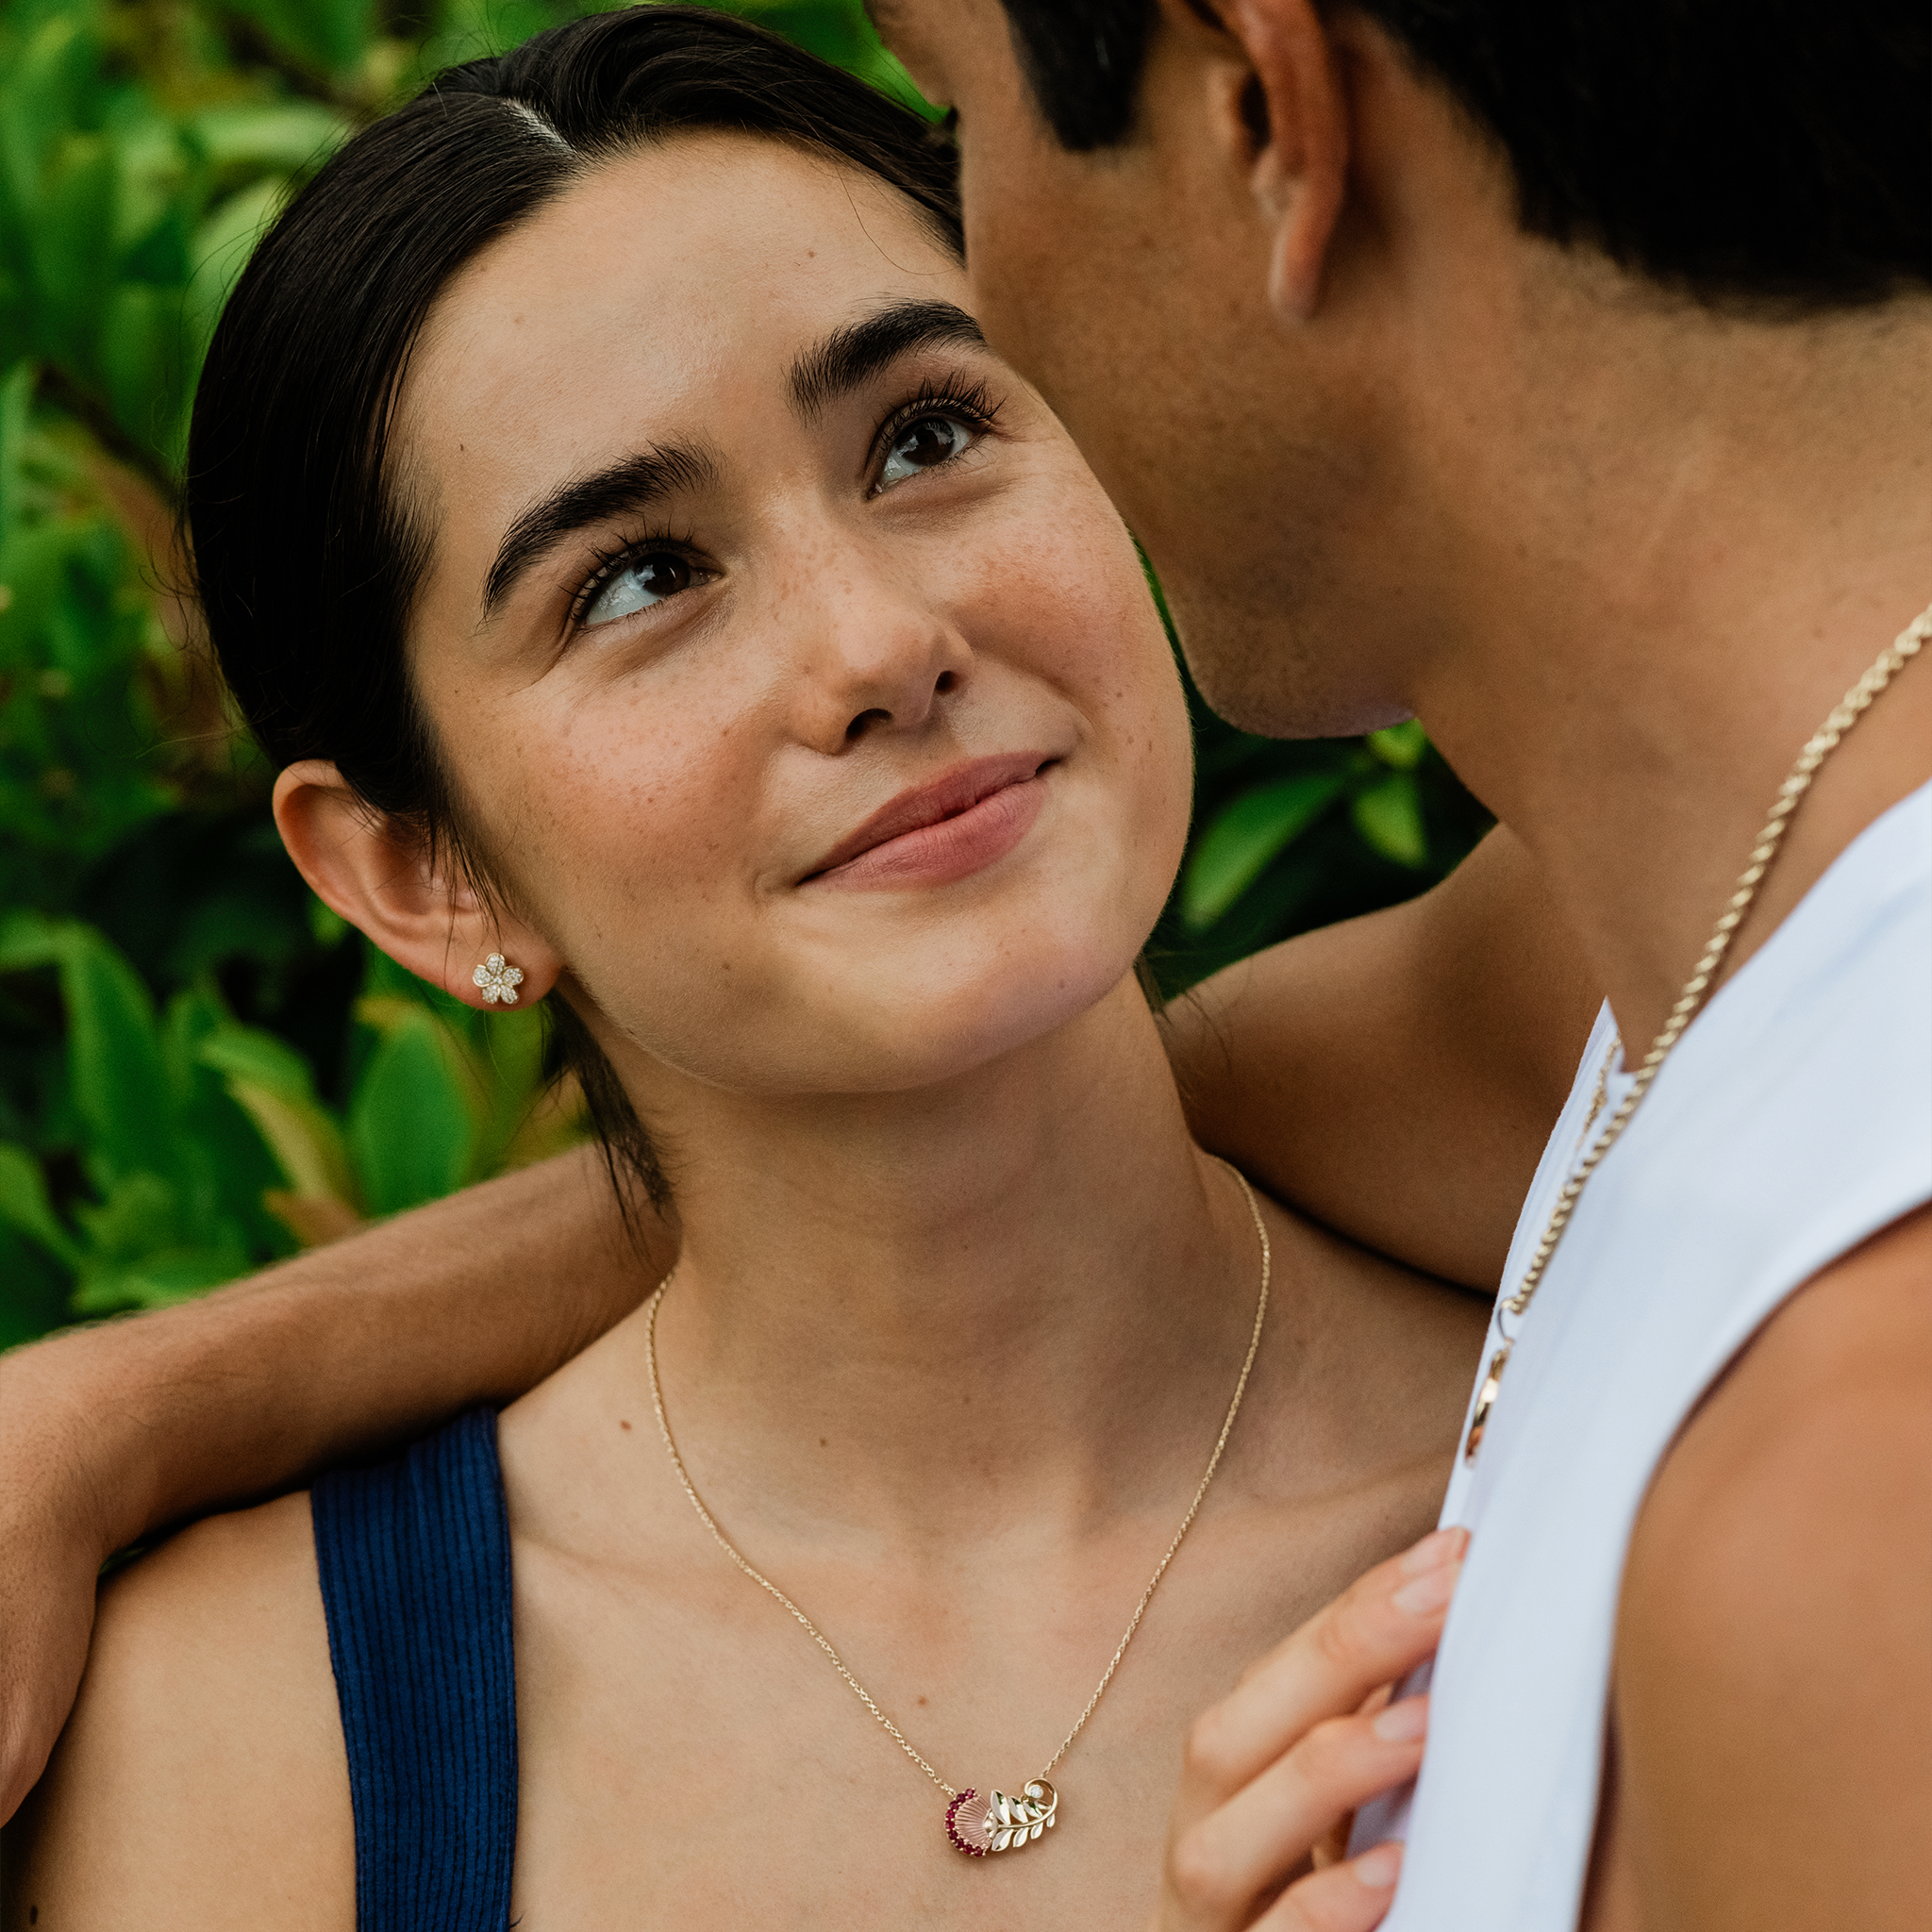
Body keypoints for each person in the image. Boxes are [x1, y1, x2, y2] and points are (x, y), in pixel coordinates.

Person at [5, 0, 1920, 1924]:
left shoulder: (1658, 1384)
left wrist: (114, 1408)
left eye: (928, 433)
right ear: (418, 876)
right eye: (639, 578)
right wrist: (99, 1417)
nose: (876, 645)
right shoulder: (245, 1747)